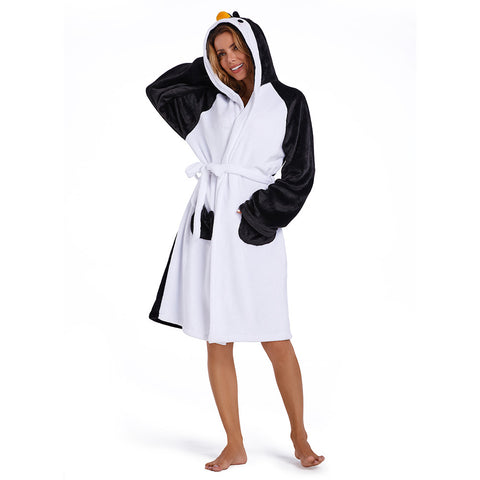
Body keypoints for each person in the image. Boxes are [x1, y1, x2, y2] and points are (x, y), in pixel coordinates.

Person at [145, 11, 324, 471]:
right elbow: (160, 90)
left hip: (253, 228)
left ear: (254, 46)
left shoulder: (287, 101)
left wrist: (260, 213)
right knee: (217, 338)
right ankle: (234, 444)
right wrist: (207, 68)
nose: (230, 59)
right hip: (208, 228)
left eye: (236, 48)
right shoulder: (210, 100)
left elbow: (300, 174)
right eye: (220, 54)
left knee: (275, 336)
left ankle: (300, 436)